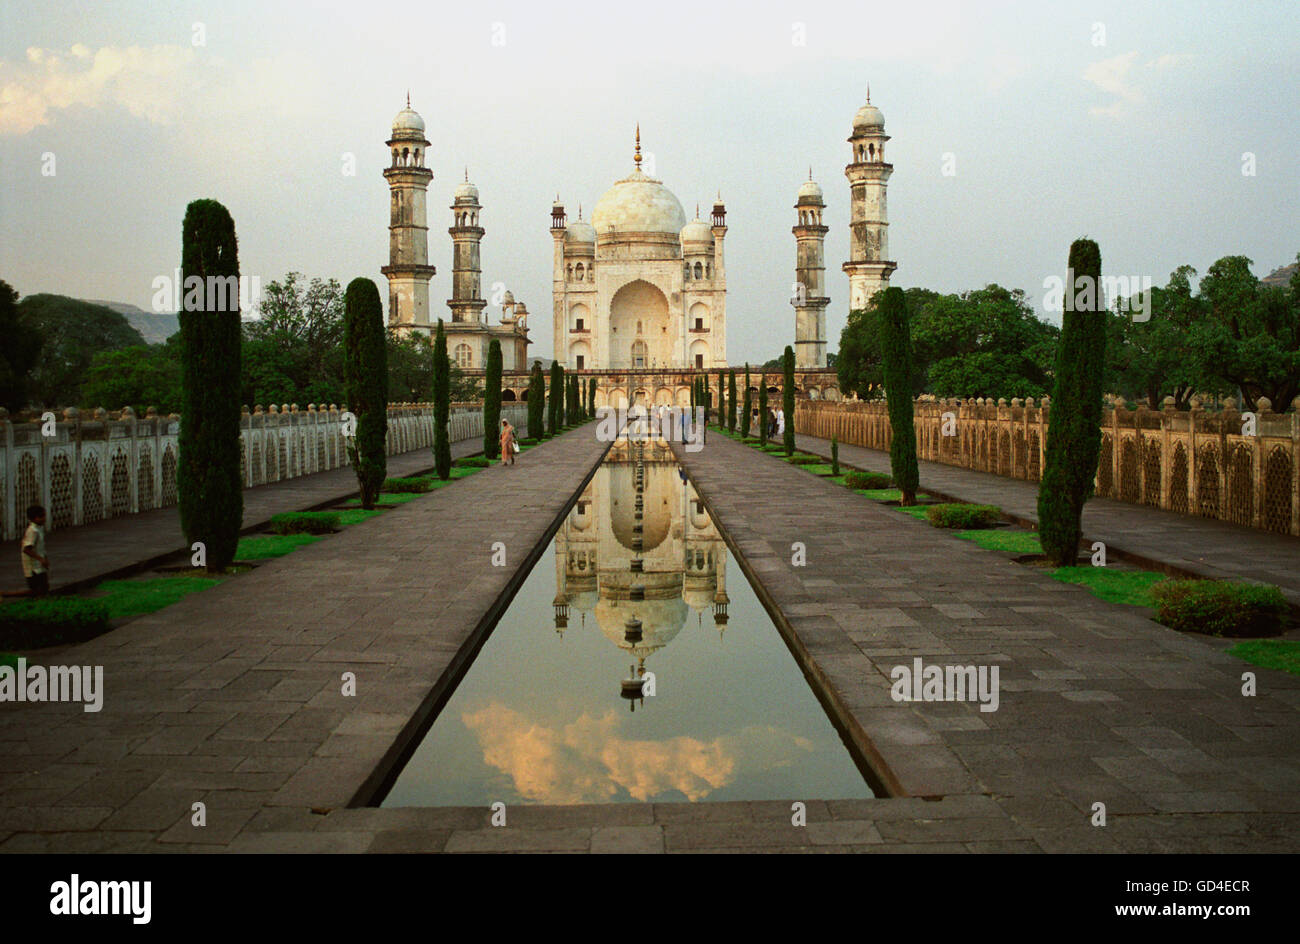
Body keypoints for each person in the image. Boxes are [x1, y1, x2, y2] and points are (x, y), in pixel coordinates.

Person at [21, 504, 50, 597]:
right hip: (33, 567)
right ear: (33, 518)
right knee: (37, 591)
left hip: (38, 565)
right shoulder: (33, 531)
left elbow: (40, 547)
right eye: (41, 517)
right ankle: (5, 594)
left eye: (44, 515)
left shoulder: (39, 528)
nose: (44, 518)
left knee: (43, 588)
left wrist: (44, 558)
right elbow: (26, 549)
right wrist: (41, 559)